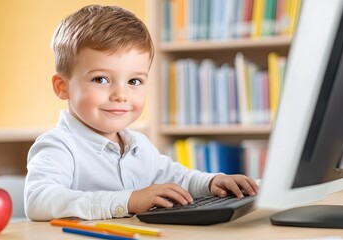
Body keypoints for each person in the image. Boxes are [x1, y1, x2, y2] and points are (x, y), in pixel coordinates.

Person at [24, 4, 258, 221]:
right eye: (101, 79)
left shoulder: (139, 145)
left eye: (134, 81)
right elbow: (38, 200)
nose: (120, 94)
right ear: (62, 86)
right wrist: (128, 200)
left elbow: (177, 178)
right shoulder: (59, 145)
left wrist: (211, 182)